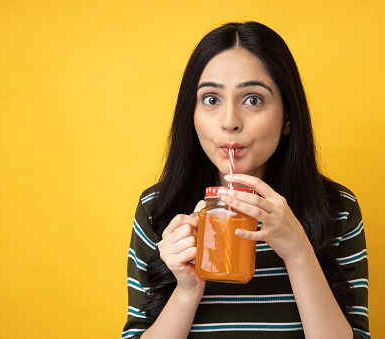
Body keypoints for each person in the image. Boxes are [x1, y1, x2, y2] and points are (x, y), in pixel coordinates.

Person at [122, 21, 369, 339]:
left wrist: (298, 252)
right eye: (211, 99)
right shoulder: (157, 208)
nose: (229, 122)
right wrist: (187, 291)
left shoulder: (337, 209)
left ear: (288, 117)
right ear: (191, 113)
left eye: (253, 100)